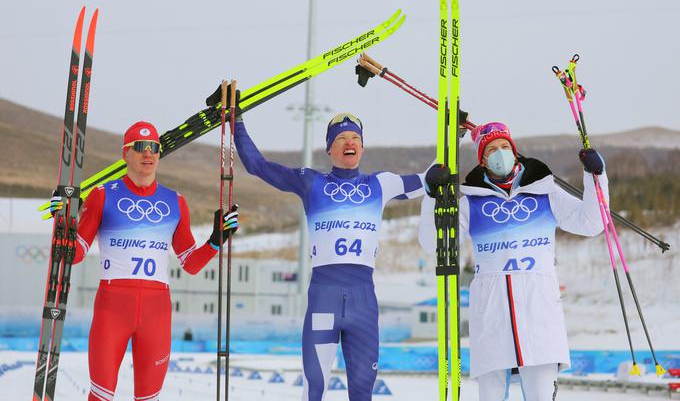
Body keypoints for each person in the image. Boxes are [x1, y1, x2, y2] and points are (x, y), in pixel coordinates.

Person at [233, 111, 425, 401]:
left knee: (362, 390)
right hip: (324, 297)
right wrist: (237, 122)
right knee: (315, 388)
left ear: (362, 146)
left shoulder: (380, 184)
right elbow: (257, 165)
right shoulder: (311, 181)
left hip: (363, 300)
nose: (350, 143)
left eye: (356, 138)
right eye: (342, 138)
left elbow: (431, 179)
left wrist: (455, 136)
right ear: (329, 148)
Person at [50, 121, 239, 401]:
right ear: (125, 153)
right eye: (139, 147)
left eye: (154, 148)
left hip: (157, 311)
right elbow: (74, 255)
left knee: (149, 398)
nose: (147, 154)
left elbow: (191, 263)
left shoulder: (175, 202)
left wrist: (215, 240)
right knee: (100, 395)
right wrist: (62, 221)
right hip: (112, 307)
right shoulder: (102, 195)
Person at [419, 121, 607, 401]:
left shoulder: (546, 193)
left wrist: (596, 176)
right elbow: (432, 242)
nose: (500, 153)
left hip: (539, 315)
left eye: (505, 147)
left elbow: (592, 222)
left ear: (515, 152)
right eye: (492, 149)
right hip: (492, 316)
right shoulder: (472, 202)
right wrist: (431, 196)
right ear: (482, 160)